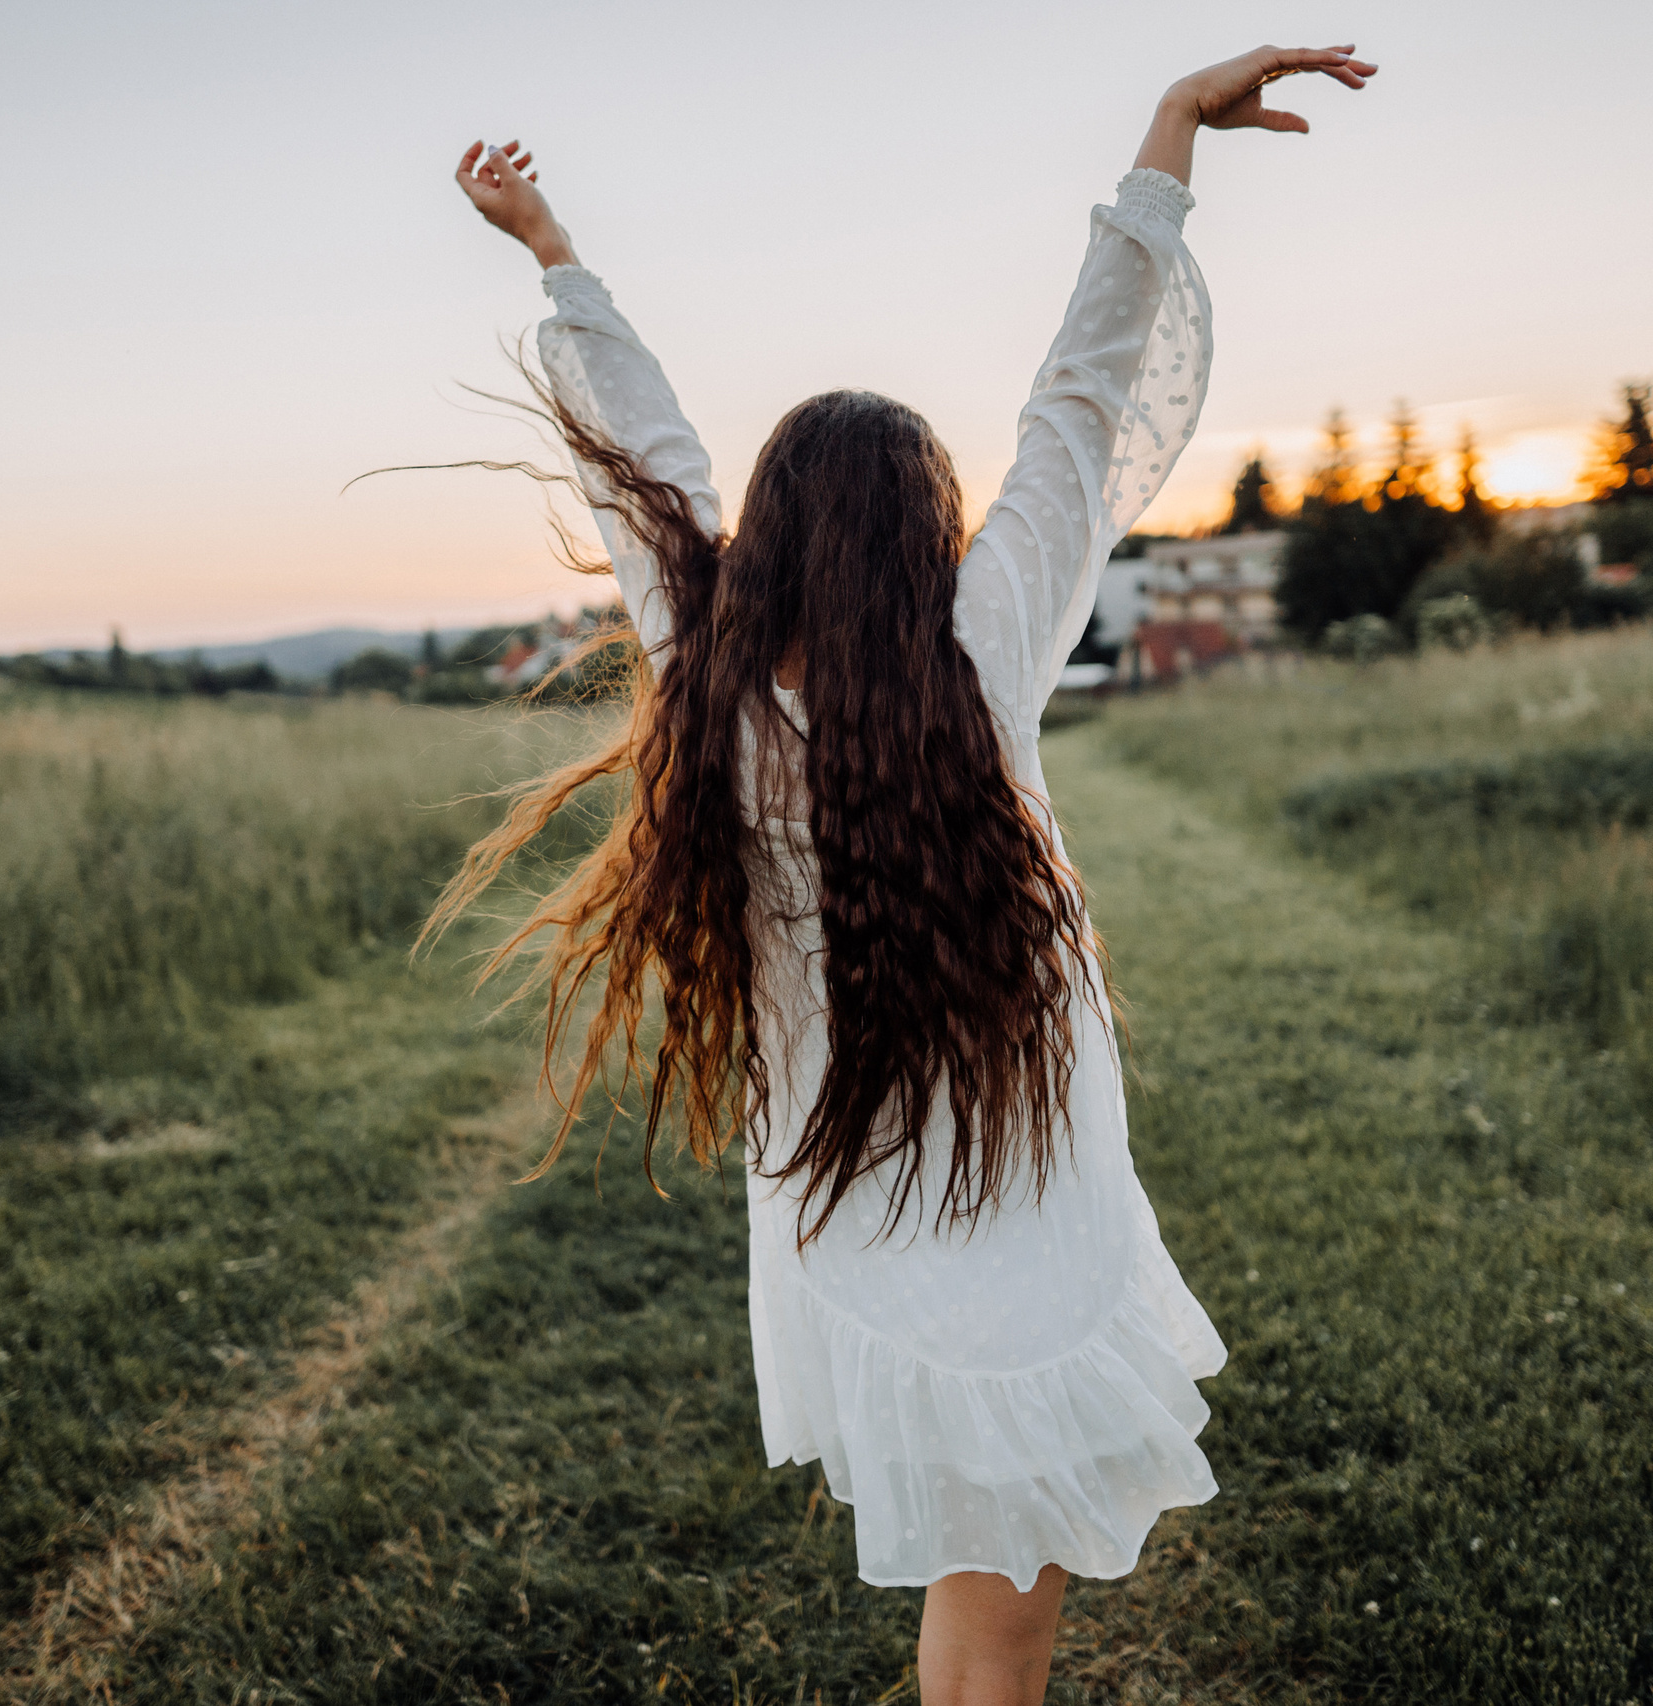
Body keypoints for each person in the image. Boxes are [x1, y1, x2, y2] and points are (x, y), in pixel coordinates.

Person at [434, 43, 1376, 1706]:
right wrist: (1169, 131)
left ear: (774, 535)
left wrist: (554, 250)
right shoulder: (982, 647)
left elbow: (644, 462)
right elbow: (1079, 405)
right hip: (1020, 1187)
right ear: (924, 526)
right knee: (1009, 1580)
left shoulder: (713, 675)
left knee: (994, 1564)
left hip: (859, 1207)